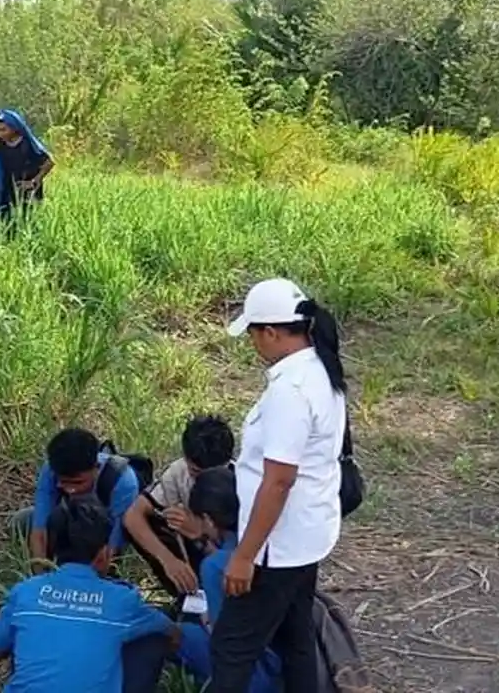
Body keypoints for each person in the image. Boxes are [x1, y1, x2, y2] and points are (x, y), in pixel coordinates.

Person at [209, 278, 348, 693]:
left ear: (270, 332)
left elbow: (279, 479)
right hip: (308, 534)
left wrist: (244, 556)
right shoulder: (321, 368)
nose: (253, 345)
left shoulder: (291, 390)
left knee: (231, 647)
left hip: (277, 545)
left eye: (253, 334)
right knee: (295, 635)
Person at [0, 495, 181, 693]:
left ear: (52, 547)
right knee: (151, 638)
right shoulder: (121, 600)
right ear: (104, 554)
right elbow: (172, 633)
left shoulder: (26, 591)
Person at [174, 466, 281, 693]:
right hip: (281, 654)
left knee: (178, 632)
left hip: (250, 673)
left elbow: (221, 634)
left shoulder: (214, 567)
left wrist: (204, 620)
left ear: (209, 520)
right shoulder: (269, 541)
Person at [123, 415, 235, 596]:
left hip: (227, 556)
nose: (202, 482)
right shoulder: (179, 472)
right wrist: (168, 560)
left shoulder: (242, 483)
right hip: (194, 551)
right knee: (149, 523)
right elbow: (133, 516)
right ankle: (186, 595)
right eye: (196, 473)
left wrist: (200, 534)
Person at [12, 427, 140, 572]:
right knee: (22, 520)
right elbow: (39, 530)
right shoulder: (50, 470)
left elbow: (114, 546)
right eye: (63, 482)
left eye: (78, 482)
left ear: (96, 468)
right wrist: (40, 578)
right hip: (71, 521)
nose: (70, 489)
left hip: (106, 529)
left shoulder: (123, 481)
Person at [0, 109, 54, 217]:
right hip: (8, 190)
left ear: (14, 129)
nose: (0, 134)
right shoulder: (2, 144)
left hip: (26, 192)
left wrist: (34, 181)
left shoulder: (27, 145)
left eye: (4, 130)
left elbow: (49, 162)